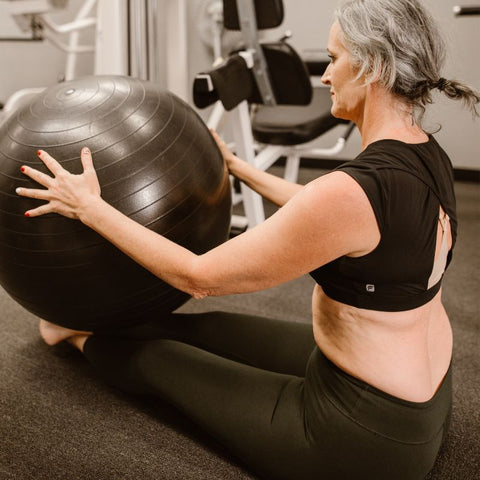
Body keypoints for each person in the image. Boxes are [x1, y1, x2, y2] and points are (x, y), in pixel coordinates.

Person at [16, 1, 480, 479]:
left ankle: (74, 337)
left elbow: (197, 277)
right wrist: (240, 169)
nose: (325, 78)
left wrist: (89, 207)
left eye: (333, 60)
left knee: (159, 360)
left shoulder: (351, 191)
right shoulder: (425, 154)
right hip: (421, 393)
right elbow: (331, 212)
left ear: (371, 69)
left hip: (364, 437)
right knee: (203, 330)